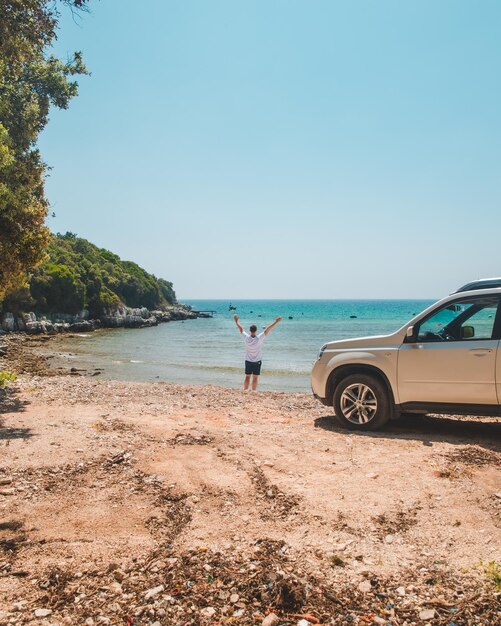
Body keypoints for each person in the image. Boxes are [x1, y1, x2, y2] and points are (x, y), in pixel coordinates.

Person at [233, 314, 282, 391]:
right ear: (255, 331)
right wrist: (276, 321)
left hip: (248, 360)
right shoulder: (259, 338)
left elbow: (241, 329)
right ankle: (253, 391)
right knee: (255, 377)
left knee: (247, 376)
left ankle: (245, 390)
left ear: (250, 330)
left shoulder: (246, 338)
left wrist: (236, 321)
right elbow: (268, 329)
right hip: (257, 361)